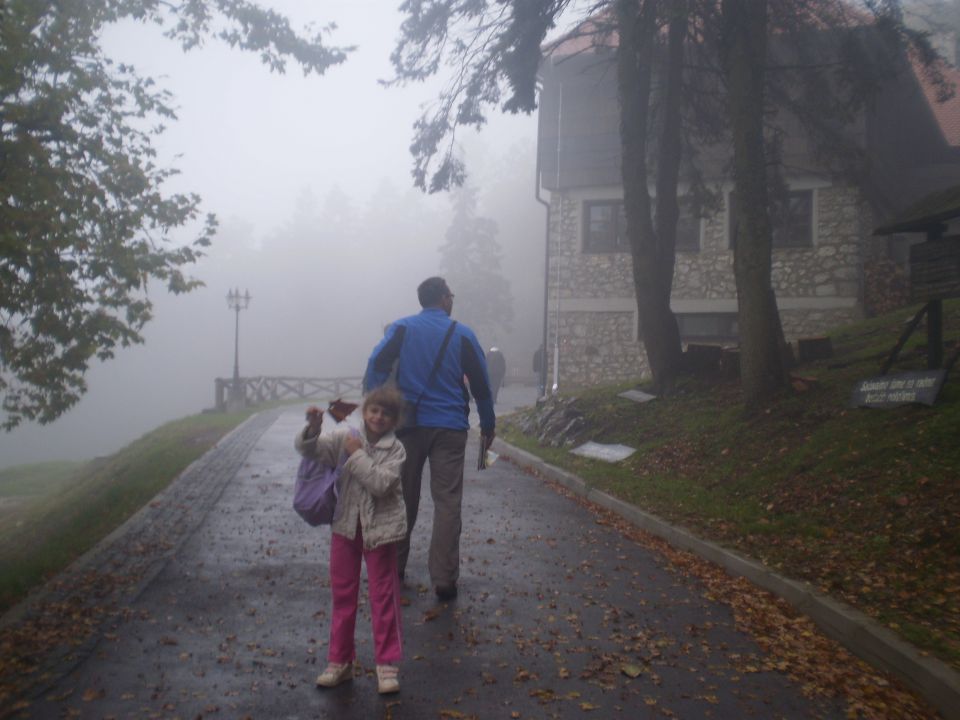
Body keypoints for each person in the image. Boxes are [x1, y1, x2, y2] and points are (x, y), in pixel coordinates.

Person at [364, 276, 495, 601]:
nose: (452, 299)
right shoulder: (462, 334)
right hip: (449, 427)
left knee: (401, 498)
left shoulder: (402, 329)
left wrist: (377, 405)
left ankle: (394, 569)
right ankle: (445, 578)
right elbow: (480, 381)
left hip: (408, 426)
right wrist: (489, 423)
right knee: (447, 501)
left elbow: (376, 363)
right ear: (443, 299)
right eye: (451, 294)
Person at [295, 386, 408, 695]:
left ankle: (386, 664)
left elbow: (381, 484)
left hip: (380, 530)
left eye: (386, 413)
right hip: (345, 526)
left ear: (394, 420)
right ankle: (339, 661)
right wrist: (313, 429)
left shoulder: (395, 450)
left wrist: (356, 453)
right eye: (374, 410)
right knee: (343, 594)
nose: (378, 417)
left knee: (383, 595)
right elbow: (310, 451)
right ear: (364, 411)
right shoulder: (344, 437)